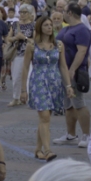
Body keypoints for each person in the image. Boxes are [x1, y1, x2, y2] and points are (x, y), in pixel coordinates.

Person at [26, 15, 67, 160]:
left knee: (45, 117)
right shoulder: (32, 45)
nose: (49, 27)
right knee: (44, 117)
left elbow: (63, 66)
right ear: (39, 28)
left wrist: (68, 85)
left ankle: (38, 150)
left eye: (50, 25)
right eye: (46, 25)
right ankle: (47, 150)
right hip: (38, 82)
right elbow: (25, 68)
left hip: (54, 82)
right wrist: (23, 91)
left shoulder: (59, 45)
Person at [56, 4, 91, 146]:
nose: (62, 14)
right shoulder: (67, 28)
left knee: (79, 103)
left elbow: (82, 51)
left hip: (75, 71)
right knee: (68, 104)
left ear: (70, 13)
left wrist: (72, 69)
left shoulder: (82, 29)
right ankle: (71, 135)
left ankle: (86, 135)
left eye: (64, 11)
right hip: (63, 69)